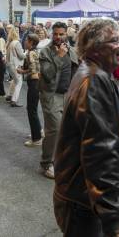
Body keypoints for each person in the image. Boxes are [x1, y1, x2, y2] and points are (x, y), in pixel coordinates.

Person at [53, 19, 119, 237]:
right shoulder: (93, 81)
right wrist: (113, 220)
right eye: (114, 41)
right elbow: (99, 151)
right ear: (95, 48)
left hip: (82, 199)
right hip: (83, 203)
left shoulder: (94, 75)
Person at [38, 22, 79, 179]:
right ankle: (47, 163)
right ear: (51, 34)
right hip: (51, 95)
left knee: (65, 130)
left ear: (66, 34)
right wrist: (59, 56)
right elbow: (47, 74)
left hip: (67, 94)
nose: (58, 37)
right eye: (55, 34)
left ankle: (60, 160)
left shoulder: (70, 49)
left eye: (61, 34)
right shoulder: (46, 52)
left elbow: (76, 68)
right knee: (54, 129)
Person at [17, 33, 42, 147]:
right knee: (33, 109)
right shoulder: (34, 51)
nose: (24, 42)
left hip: (34, 83)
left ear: (31, 42)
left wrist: (22, 71)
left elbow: (32, 69)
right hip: (36, 83)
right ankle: (38, 131)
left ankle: (36, 138)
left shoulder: (31, 53)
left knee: (31, 110)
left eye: (26, 40)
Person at [6, 28, 26, 107]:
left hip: (9, 64)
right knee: (19, 82)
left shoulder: (10, 43)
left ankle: (9, 95)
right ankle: (14, 100)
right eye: (17, 31)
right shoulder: (17, 43)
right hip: (15, 65)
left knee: (15, 80)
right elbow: (21, 56)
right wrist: (26, 53)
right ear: (16, 33)